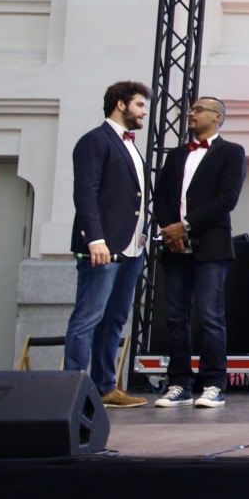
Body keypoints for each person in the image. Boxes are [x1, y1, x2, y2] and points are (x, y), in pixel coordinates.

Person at [152, 96, 246, 409]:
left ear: (217, 117)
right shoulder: (176, 154)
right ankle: (179, 382)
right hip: (174, 245)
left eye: (198, 109)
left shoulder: (232, 152)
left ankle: (213, 383)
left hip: (211, 245)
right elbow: (161, 196)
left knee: (210, 316)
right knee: (175, 317)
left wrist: (186, 226)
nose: (191, 114)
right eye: (191, 109)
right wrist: (170, 230)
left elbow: (226, 199)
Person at [66, 80, 153, 407]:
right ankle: (73, 391)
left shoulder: (130, 145)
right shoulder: (94, 140)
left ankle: (104, 387)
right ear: (120, 104)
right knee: (88, 317)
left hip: (131, 248)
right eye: (139, 104)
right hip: (102, 247)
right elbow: (85, 193)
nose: (143, 112)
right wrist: (95, 239)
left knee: (114, 319)